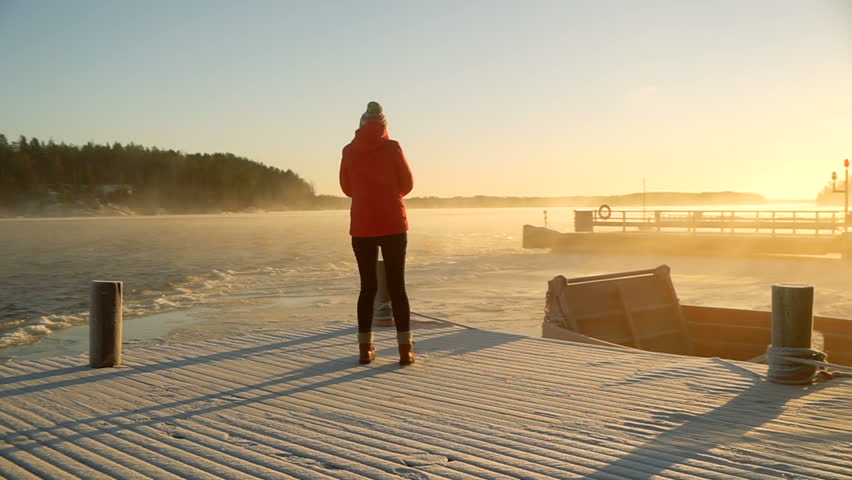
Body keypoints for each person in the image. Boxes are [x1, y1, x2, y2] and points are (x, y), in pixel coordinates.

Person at [339, 101, 415, 365]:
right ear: (384, 125)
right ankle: (405, 350)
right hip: (393, 224)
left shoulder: (349, 151)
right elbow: (407, 183)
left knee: (367, 287)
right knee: (397, 287)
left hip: (362, 226)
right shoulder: (392, 147)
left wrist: (366, 194)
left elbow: (346, 188)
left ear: (361, 125)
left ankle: (365, 348)